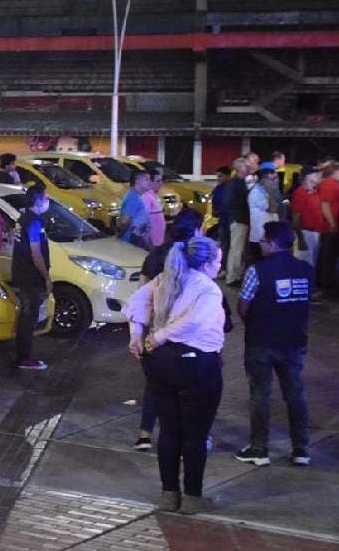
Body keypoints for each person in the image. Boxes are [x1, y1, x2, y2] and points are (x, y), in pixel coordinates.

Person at [124, 236, 225, 514]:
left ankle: (169, 493)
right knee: (195, 432)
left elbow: (136, 302)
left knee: (169, 429)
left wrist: (137, 335)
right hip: (197, 364)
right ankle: (192, 496)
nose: (220, 264)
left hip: (161, 364)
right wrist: (158, 336)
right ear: (206, 262)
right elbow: (195, 321)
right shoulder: (207, 289)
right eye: (218, 259)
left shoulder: (165, 279)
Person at [132, 209, 214, 451]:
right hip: (186, 337)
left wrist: (140, 331)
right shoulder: (195, 258)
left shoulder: (156, 254)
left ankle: (145, 434)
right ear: (197, 230)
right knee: (192, 389)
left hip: (158, 331)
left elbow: (140, 294)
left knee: (156, 385)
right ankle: (194, 436)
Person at [234, 221, 312, 467]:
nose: (262, 244)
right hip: (294, 341)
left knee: (260, 395)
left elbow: (243, 305)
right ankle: (300, 448)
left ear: (273, 243)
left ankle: (259, 448)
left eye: (265, 240)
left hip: (262, 341)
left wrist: (257, 322)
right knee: (295, 395)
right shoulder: (306, 269)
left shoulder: (257, 270)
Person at [11, 185, 51, 370]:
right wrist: (46, 277)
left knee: (26, 317)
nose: (47, 199)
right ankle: (24, 358)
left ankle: (23, 355)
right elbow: (36, 253)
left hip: (21, 273)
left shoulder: (23, 218)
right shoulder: (34, 222)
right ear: (37, 200)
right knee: (29, 318)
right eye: (45, 196)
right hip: (30, 277)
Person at [290, 165, 324, 272]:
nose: (320, 176)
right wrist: (301, 239)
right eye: (317, 174)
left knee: (311, 264)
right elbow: (295, 219)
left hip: (316, 233)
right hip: (305, 233)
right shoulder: (300, 193)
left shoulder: (315, 192)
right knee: (303, 265)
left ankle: (310, 287)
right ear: (308, 176)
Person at [225, 159, 252, 285]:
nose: (248, 168)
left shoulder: (237, 183)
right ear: (239, 168)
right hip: (239, 220)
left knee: (238, 249)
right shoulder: (237, 184)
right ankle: (232, 277)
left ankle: (236, 275)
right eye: (246, 166)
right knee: (237, 249)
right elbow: (236, 202)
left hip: (240, 219)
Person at [247, 168, 279, 264]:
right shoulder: (256, 193)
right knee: (261, 266)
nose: (274, 182)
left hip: (268, 237)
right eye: (271, 179)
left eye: (275, 178)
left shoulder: (265, 192)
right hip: (260, 238)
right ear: (262, 180)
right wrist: (270, 192)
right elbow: (273, 209)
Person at [317, 163, 339, 295]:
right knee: (328, 259)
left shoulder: (334, 184)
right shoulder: (329, 184)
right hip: (330, 229)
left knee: (330, 258)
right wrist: (332, 225)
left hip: (333, 228)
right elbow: (325, 205)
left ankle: (328, 287)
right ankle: (326, 288)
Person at [117, 170, 152, 249]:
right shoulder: (134, 197)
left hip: (138, 238)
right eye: (146, 179)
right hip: (133, 240)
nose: (150, 182)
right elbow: (124, 221)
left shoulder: (137, 196)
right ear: (137, 181)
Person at [210, 166, 233, 257]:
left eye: (220, 176)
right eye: (217, 176)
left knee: (231, 245)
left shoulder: (232, 188)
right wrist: (214, 210)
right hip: (222, 221)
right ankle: (222, 265)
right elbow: (214, 201)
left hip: (232, 221)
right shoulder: (218, 188)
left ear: (228, 176)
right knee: (224, 244)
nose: (218, 179)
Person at [144, 169, 167, 250]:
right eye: (158, 181)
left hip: (158, 239)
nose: (161, 183)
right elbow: (144, 219)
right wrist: (148, 239)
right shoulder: (146, 196)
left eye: (161, 181)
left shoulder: (155, 195)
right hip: (152, 241)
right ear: (150, 182)